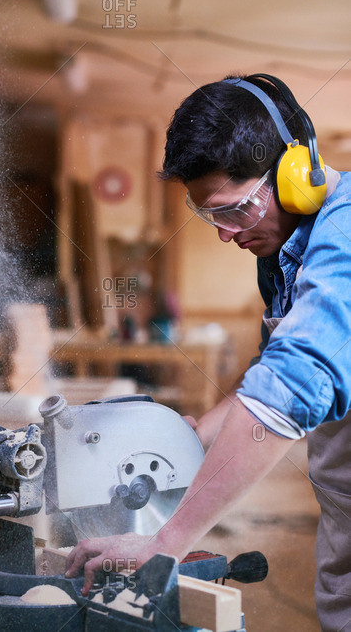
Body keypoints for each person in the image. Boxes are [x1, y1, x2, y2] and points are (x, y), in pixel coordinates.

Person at [65, 74, 351, 631]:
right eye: (208, 215)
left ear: (300, 173)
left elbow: (289, 392)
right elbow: (266, 373)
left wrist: (167, 542)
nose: (225, 233)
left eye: (234, 210)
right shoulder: (284, 250)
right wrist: (191, 437)